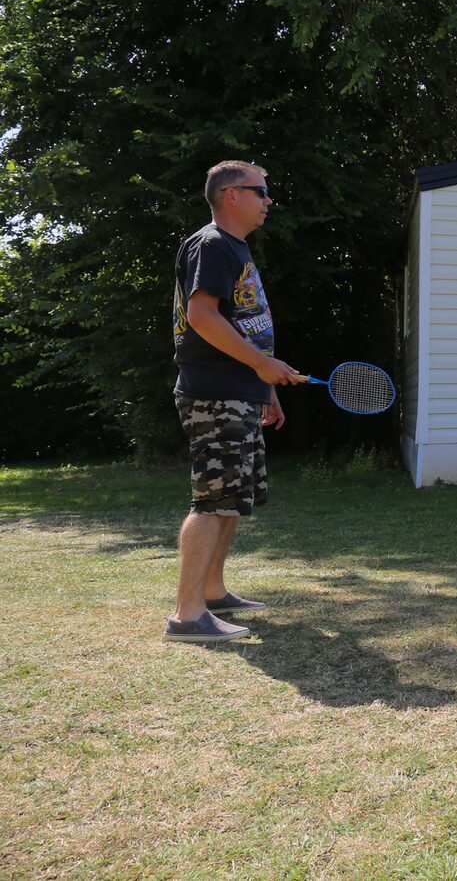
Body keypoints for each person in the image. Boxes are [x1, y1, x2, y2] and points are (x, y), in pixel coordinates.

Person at [165, 161, 300, 643]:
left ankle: (213, 592)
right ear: (231, 195)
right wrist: (261, 365)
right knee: (211, 501)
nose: (268, 200)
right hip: (213, 392)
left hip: (239, 391)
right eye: (260, 191)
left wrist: (265, 386)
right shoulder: (212, 244)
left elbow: (243, 324)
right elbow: (201, 316)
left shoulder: (235, 248)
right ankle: (187, 615)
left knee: (231, 500)